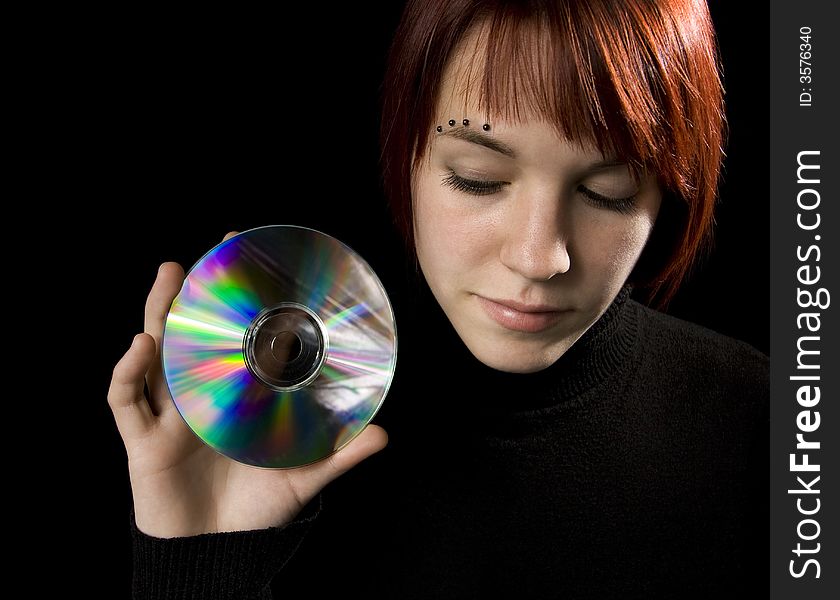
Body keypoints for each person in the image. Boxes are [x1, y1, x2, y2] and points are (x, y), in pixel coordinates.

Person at [108, 0, 768, 597]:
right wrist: (195, 563)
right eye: (478, 179)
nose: (539, 257)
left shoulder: (778, 430)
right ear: (409, 155)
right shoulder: (263, 435)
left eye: (609, 191)